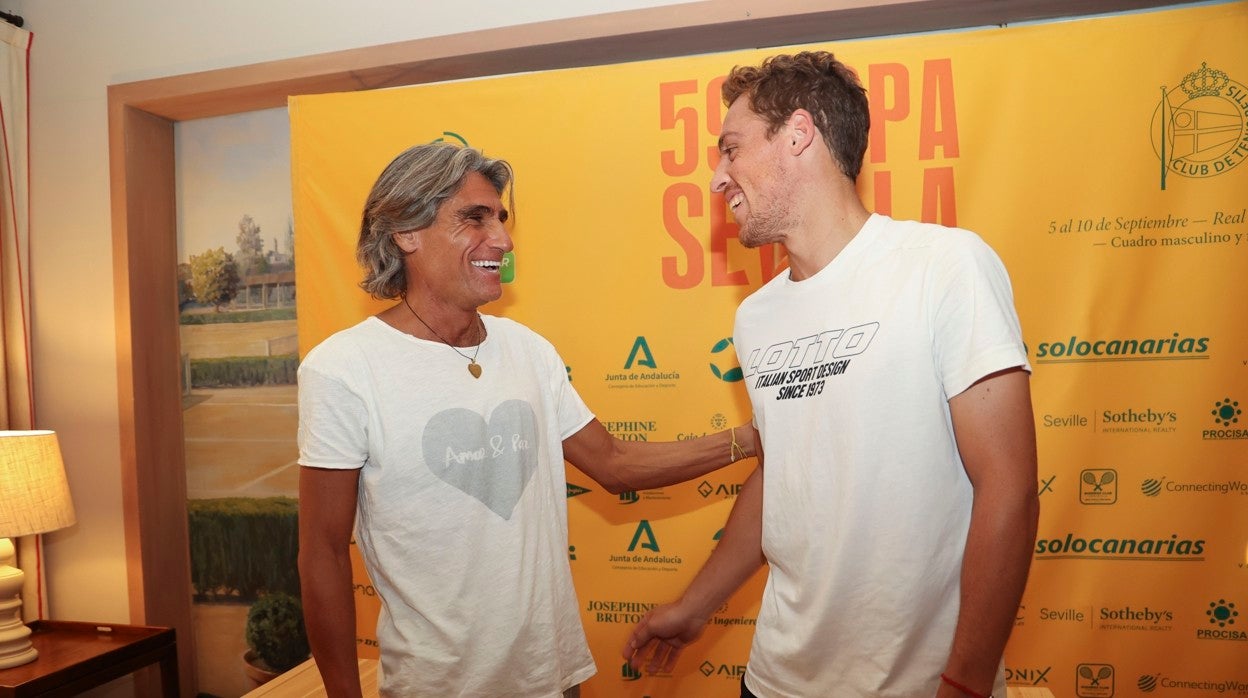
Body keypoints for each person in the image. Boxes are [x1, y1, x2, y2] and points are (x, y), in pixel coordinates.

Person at [623, 51, 1039, 698]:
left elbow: (1009, 489)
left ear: (797, 134)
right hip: (773, 681)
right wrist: (696, 605)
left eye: (731, 150)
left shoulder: (943, 266)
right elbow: (783, 472)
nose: (716, 178)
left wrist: (966, 681)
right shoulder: (756, 317)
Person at [296, 141, 755, 698]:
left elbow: (615, 464)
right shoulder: (343, 369)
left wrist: (754, 437)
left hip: (554, 678)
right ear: (405, 232)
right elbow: (321, 552)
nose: (503, 239)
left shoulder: (528, 349)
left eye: (501, 218)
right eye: (474, 218)